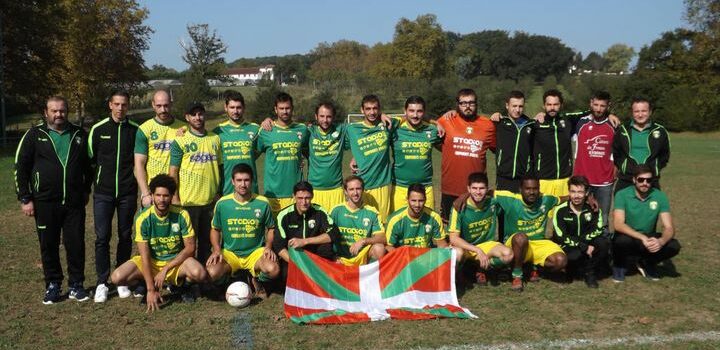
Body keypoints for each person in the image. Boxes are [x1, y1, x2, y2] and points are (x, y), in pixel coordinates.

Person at [15, 96, 93, 304]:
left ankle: (77, 284)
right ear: (46, 112)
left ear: (67, 112)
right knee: (48, 244)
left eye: (62, 111)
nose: (59, 114)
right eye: (54, 111)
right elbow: (20, 167)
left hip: (74, 203)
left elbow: (89, 166)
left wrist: (85, 190)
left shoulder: (79, 134)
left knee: (76, 243)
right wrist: (25, 198)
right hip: (44, 203)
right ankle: (53, 284)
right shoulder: (34, 135)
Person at [110, 174, 208, 311]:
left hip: (175, 263)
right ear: (152, 195)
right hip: (152, 261)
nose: (161, 200)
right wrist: (151, 290)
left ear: (172, 195)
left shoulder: (182, 215)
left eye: (166, 196)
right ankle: (147, 284)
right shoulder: (143, 218)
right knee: (117, 277)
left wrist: (167, 268)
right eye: (158, 195)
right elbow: (144, 255)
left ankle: (183, 286)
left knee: (199, 273)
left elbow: (190, 248)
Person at [87, 90, 139, 302]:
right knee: (102, 237)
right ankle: (102, 282)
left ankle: (122, 279)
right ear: (110, 105)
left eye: (124, 105)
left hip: (127, 192)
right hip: (103, 193)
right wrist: (96, 183)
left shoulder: (136, 130)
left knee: (125, 235)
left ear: (128, 106)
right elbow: (90, 160)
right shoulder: (98, 129)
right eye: (116, 104)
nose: (120, 108)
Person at [206, 164, 279, 296]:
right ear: (233, 181)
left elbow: (271, 228)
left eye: (246, 180)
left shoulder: (262, 203)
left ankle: (258, 281)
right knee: (211, 273)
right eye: (239, 180)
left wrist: (268, 247)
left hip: (255, 252)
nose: (243, 184)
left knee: (273, 269)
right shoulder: (222, 203)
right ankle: (229, 279)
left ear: (252, 181)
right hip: (230, 253)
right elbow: (215, 229)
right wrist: (216, 250)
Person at [169, 102, 223, 265]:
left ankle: (204, 281)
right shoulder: (180, 140)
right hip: (188, 202)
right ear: (187, 117)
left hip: (209, 202)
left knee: (207, 244)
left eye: (200, 114)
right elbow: (173, 171)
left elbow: (219, 168)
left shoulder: (215, 138)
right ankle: (187, 283)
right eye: (194, 115)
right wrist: (175, 197)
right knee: (188, 246)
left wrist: (218, 192)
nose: (198, 117)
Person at [495, 175, 568, 292]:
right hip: (515, 243)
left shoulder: (546, 199)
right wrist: (464, 196)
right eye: (528, 189)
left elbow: (564, 198)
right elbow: (485, 192)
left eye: (535, 189)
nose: (532, 192)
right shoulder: (510, 199)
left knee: (561, 261)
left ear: (539, 189)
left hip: (538, 243)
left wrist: (585, 197)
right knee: (521, 237)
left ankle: (534, 268)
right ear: (520, 189)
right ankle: (517, 275)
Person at [612, 165, 680, 282]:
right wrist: (641, 237)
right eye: (641, 180)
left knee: (673, 245)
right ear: (634, 180)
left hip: (648, 237)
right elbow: (618, 224)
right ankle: (620, 264)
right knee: (621, 241)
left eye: (648, 180)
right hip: (629, 236)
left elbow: (669, 227)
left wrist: (661, 241)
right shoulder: (622, 194)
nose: (645, 183)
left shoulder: (660, 196)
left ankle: (647, 262)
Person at [437, 88, 496, 223]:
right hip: (450, 187)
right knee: (449, 227)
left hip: (476, 189)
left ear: (476, 104)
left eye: (471, 103)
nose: (467, 106)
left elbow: (498, 149)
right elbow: (428, 126)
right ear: (457, 104)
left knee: (473, 227)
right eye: (463, 103)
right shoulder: (446, 120)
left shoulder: (488, 125)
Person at [448, 173, 513, 285]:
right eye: (474, 188)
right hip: (466, 247)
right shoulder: (459, 207)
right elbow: (453, 239)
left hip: (486, 245)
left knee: (508, 254)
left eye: (482, 188)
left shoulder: (493, 202)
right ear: (468, 188)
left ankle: (480, 267)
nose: (478, 192)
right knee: (456, 254)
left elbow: (514, 199)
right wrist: (477, 250)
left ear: (487, 189)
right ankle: (459, 275)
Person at [552, 176, 609, 288]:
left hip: (587, 242)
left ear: (586, 193)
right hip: (569, 245)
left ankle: (589, 273)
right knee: (574, 255)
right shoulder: (560, 210)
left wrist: (585, 243)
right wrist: (583, 246)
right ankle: (570, 270)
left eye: (580, 192)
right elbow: (561, 236)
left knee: (604, 244)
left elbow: (598, 229)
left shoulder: (593, 208)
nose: (576, 196)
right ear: (569, 192)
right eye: (573, 191)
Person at [256, 93, 310, 214]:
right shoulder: (266, 130)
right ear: (275, 109)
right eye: (281, 108)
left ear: (292, 108)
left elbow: (310, 153)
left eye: (287, 108)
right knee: (274, 231)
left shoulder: (302, 129)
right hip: (273, 193)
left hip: (297, 193)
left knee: (297, 232)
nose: (285, 111)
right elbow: (253, 155)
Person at [572, 91, 617, 234]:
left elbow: (620, 152)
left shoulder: (614, 125)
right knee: (581, 218)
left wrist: (615, 171)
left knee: (602, 219)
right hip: (582, 182)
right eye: (596, 104)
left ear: (608, 106)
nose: (598, 109)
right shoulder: (580, 122)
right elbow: (558, 115)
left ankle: (604, 252)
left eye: (602, 106)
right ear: (590, 103)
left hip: (605, 183)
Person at [345, 95, 393, 222]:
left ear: (379, 109)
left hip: (381, 185)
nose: (372, 112)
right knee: (360, 225)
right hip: (360, 187)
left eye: (375, 108)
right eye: (368, 109)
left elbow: (411, 117)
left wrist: (436, 123)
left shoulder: (387, 124)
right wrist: (355, 156)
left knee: (382, 225)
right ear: (362, 110)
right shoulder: (351, 129)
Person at [134, 90, 185, 208]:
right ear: (153, 105)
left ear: (171, 104)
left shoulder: (183, 127)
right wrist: (146, 193)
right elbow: (139, 165)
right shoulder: (144, 129)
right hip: (154, 192)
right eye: (159, 106)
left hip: (178, 191)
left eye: (166, 105)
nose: (163, 110)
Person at [391, 96, 441, 210]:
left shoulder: (432, 130)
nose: (415, 115)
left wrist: (437, 123)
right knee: (399, 225)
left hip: (425, 188)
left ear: (424, 112)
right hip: (400, 187)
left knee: (426, 225)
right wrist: (355, 158)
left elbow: (446, 149)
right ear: (405, 111)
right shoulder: (395, 130)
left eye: (419, 111)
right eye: (411, 111)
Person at [613, 97, 671, 192]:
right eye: (636, 111)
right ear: (632, 112)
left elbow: (664, 155)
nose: (640, 115)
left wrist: (654, 168)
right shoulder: (623, 130)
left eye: (644, 111)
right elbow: (616, 153)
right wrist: (625, 167)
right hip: (626, 179)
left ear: (650, 112)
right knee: (621, 206)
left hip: (650, 180)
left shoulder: (660, 131)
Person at [273, 181, 337, 263]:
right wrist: (297, 264)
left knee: (326, 247)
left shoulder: (319, 212)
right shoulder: (284, 215)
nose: (304, 202)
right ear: (294, 196)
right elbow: (278, 246)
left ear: (312, 196)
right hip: (294, 258)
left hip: (316, 255)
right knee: (283, 272)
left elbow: (334, 233)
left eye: (307, 198)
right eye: (300, 198)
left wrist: (305, 241)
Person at [330, 176, 386, 266]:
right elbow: (326, 236)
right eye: (351, 189)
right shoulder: (336, 210)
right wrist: (331, 255)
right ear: (345, 192)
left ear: (363, 190)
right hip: (340, 259)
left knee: (379, 248)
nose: (355, 193)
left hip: (362, 258)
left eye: (358, 189)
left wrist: (363, 241)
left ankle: (371, 277)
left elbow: (382, 238)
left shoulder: (372, 212)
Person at [213, 92, 261, 195]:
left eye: (238, 107)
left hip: (250, 190)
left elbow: (258, 152)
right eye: (232, 107)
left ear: (244, 108)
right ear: (226, 107)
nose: (235, 111)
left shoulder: (255, 129)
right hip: (226, 190)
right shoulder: (217, 132)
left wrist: (268, 120)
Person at [305, 102, 347, 211]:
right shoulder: (309, 131)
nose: (325, 120)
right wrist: (268, 120)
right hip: (314, 190)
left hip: (336, 189)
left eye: (329, 116)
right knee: (315, 226)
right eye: (322, 116)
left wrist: (381, 115)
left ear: (333, 117)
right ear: (316, 116)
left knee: (336, 226)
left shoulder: (341, 130)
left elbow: (363, 124)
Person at [491, 90, 534, 192]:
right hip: (503, 178)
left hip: (524, 179)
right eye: (514, 106)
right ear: (507, 106)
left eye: (520, 106)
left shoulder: (531, 125)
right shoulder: (499, 123)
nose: (517, 110)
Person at [386, 184, 447, 250]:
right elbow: (388, 246)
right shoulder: (395, 220)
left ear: (425, 200)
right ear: (407, 199)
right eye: (413, 200)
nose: (417, 205)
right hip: (403, 257)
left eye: (421, 201)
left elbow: (442, 245)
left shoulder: (434, 217)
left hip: (426, 256)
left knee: (456, 252)